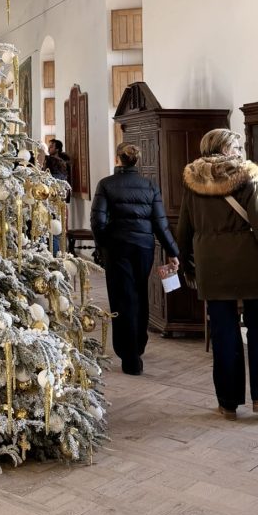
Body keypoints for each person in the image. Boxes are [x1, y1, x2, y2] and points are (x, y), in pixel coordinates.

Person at [177, 129, 258, 419]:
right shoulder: (246, 176)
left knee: (223, 333)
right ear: (227, 148)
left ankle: (228, 402)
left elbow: (184, 230)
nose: (240, 151)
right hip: (249, 265)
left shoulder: (192, 179)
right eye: (237, 146)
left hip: (211, 268)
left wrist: (189, 267)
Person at [90, 142, 179, 375]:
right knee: (140, 293)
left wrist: (104, 246)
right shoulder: (149, 186)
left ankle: (129, 356)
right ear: (136, 161)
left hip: (117, 248)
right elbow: (160, 223)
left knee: (121, 299)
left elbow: (97, 222)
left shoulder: (107, 184)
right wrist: (172, 251)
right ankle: (138, 345)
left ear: (118, 158)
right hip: (143, 248)